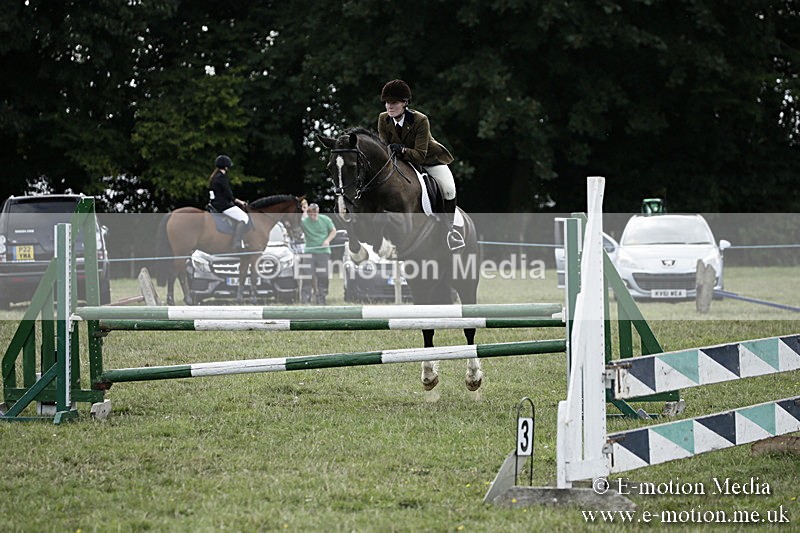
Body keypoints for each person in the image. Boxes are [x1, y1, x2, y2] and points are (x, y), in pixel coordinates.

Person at [377, 79, 465, 251]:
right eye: (387, 102)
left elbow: (419, 154)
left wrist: (401, 150)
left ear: (404, 103)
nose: (389, 106)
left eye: (394, 102)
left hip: (428, 160)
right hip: (400, 164)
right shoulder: (383, 119)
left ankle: (450, 230)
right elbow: (383, 149)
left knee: (448, 189)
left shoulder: (420, 120)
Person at [208, 154, 250, 250]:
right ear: (226, 166)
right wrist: (239, 201)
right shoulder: (222, 178)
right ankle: (237, 242)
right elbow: (228, 194)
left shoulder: (214, 177)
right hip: (223, 205)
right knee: (244, 217)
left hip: (214, 204)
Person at [300, 203, 337, 305]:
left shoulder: (325, 219)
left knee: (323, 275)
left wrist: (327, 241)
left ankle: (321, 298)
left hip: (323, 252)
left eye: (314, 214)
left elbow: (333, 231)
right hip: (309, 252)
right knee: (307, 275)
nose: (313, 216)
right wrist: (304, 212)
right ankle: (305, 299)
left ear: (318, 211)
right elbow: (297, 226)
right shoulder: (304, 221)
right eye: (310, 214)